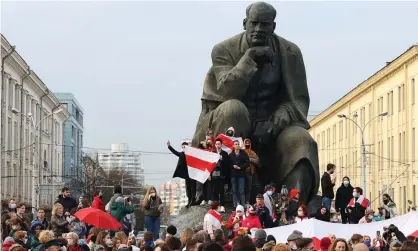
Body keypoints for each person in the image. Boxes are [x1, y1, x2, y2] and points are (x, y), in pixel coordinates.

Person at [191, 1, 320, 205]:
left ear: (273, 27)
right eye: (254, 23)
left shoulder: (290, 52)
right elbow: (227, 91)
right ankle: (224, 194)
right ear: (245, 23)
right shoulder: (223, 50)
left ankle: (293, 203)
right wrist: (249, 58)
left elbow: (299, 100)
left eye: (265, 24)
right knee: (234, 109)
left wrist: (277, 119)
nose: (259, 29)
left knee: (301, 139)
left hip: (271, 130)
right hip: (225, 125)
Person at [167, 140, 196, 208]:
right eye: (182, 147)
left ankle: (193, 200)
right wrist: (169, 146)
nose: (183, 148)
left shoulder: (191, 154)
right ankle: (189, 200)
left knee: (193, 187)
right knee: (188, 188)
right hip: (186, 174)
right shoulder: (181, 154)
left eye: (185, 147)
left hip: (193, 174)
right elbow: (175, 152)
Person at [211, 138, 230, 213]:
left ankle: (222, 205)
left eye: (219, 144)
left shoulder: (224, 153)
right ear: (215, 145)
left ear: (221, 145)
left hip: (221, 174)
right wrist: (209, 174)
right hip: (214, 174)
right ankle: (216, 206)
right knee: (214, 190)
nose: (217, 145)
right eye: (216, 144)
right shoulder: (212, 152)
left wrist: (222, 160)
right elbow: (210, 164)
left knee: (221, 191)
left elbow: (227, 164)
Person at [230, 140, 250, 207]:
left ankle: (243, 205)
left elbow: (247, 162)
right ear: (233, 145)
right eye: (236, 144)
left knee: (241, 190)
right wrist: (232, 166)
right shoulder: (230, 154)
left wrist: (240, 167)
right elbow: (228, 164)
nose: (237, 145)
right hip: (233, 175)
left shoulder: (243, 153)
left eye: (238, 144)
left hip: (241, 174)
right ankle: (235, 206)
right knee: (234, 191)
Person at [243, 139, 260, 205]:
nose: (247, 144)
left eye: (248, 143)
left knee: (250, 187)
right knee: (243, 187)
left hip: (251, 172)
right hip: (243, 172)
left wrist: (250, 159)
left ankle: (249, 201)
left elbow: (257, 161)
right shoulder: (242, 152)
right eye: (246, 143)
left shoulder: (252, 152)